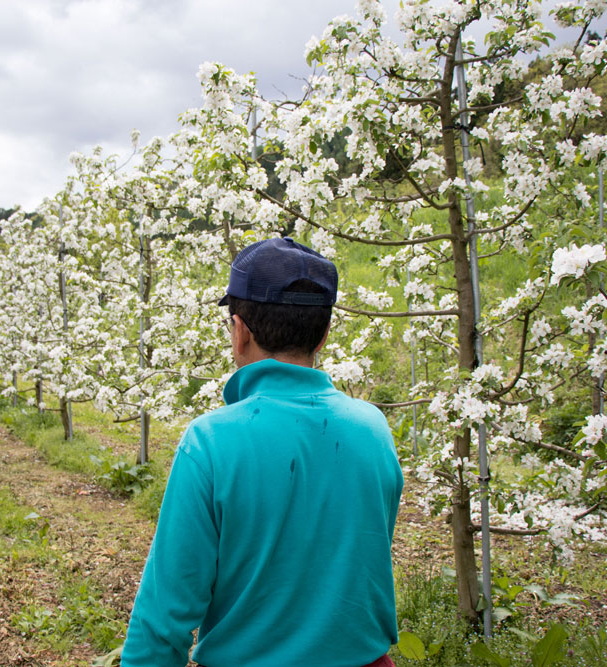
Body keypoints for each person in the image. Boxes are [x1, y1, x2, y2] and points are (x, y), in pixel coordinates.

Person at [121, 237, 404, 667]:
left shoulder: (210, 442)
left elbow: (164, 617)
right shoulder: (373, 429)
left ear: (240, 332)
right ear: (324, 333)